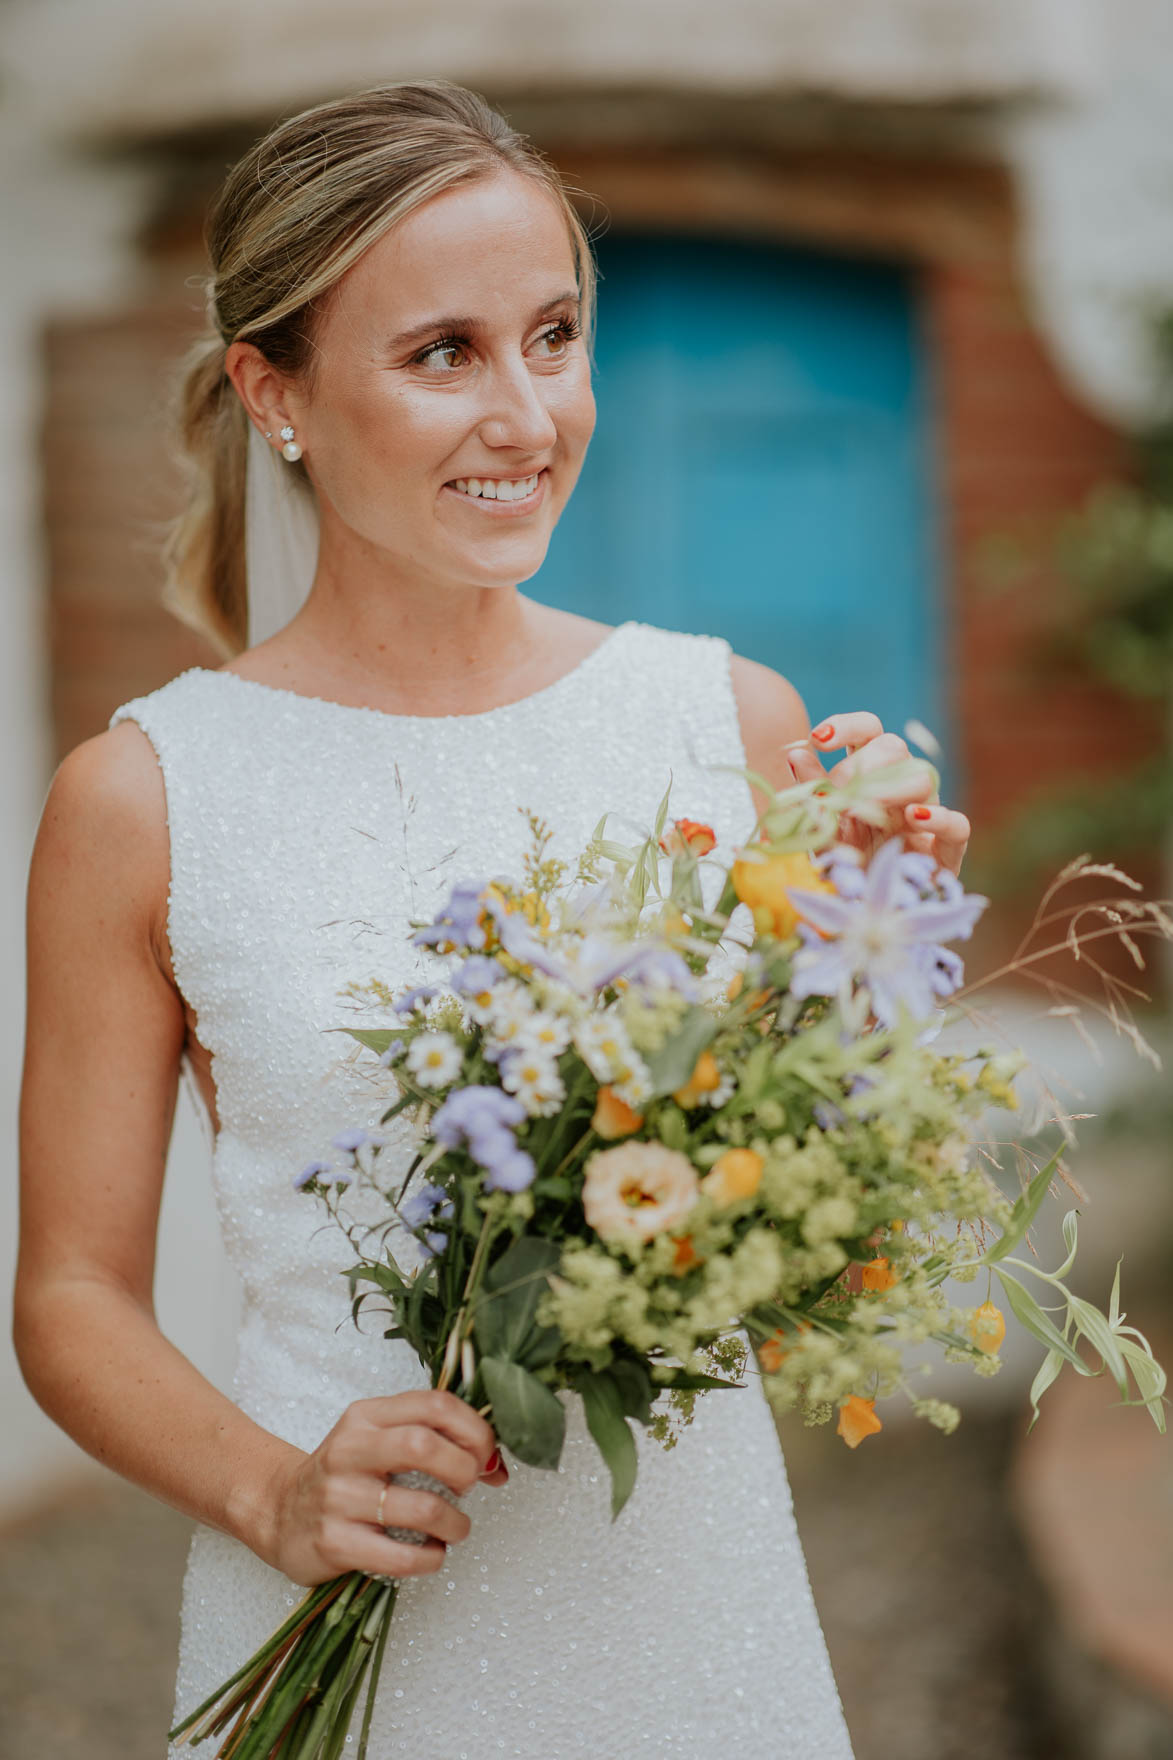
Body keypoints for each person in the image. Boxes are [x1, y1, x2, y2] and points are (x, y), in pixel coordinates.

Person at [15, 80, 969, 1757]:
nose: (527, 413)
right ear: (273, 392)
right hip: (342, 1603)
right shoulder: (149, 793)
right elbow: (71, 1298)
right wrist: (275, 1490)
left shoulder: (725, 723)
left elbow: (801, 1192)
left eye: (553, 335)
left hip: (688, 1609)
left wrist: (873, 934)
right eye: (442, 353)